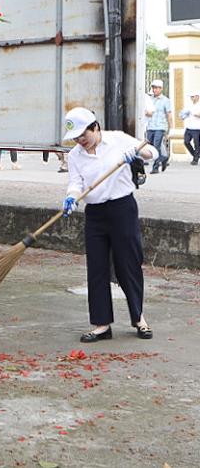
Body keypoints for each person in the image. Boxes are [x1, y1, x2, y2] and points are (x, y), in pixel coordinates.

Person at [60, 107, 157, 342]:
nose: (80, 141)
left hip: (122, 208)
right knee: (97, 267)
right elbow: (75, 182)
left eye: (84, 135)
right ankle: (102, 324)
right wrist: (72, 196)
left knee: (128, 264)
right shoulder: (75, 156)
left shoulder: (119, 139)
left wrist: (136, 155)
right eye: (76, 138)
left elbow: (151, 152)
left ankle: (138, 318)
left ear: (96, 127)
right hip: (95, 213)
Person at [143, 79, 172, 173]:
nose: (155, 90)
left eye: (157, 88)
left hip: (160, 127)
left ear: (161, 89)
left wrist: (170, 128)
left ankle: (155, 167)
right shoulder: (149, 99)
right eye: (154, 88)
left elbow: (169, 115)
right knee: (150, 145)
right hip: (150, 126)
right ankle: (163, 158)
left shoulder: (166, 101)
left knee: (157, 146)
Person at [180, 89, 200, 166]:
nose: (191, 98)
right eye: (191, 97)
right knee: (186, 142)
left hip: (197, 128)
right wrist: (183, 115)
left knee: (197, 144)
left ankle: (195, 159)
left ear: (197, 97)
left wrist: (193, 113)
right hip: (189, 127)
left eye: (193, 97)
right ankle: (195, 154)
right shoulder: (189, 105)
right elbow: (184, 114)